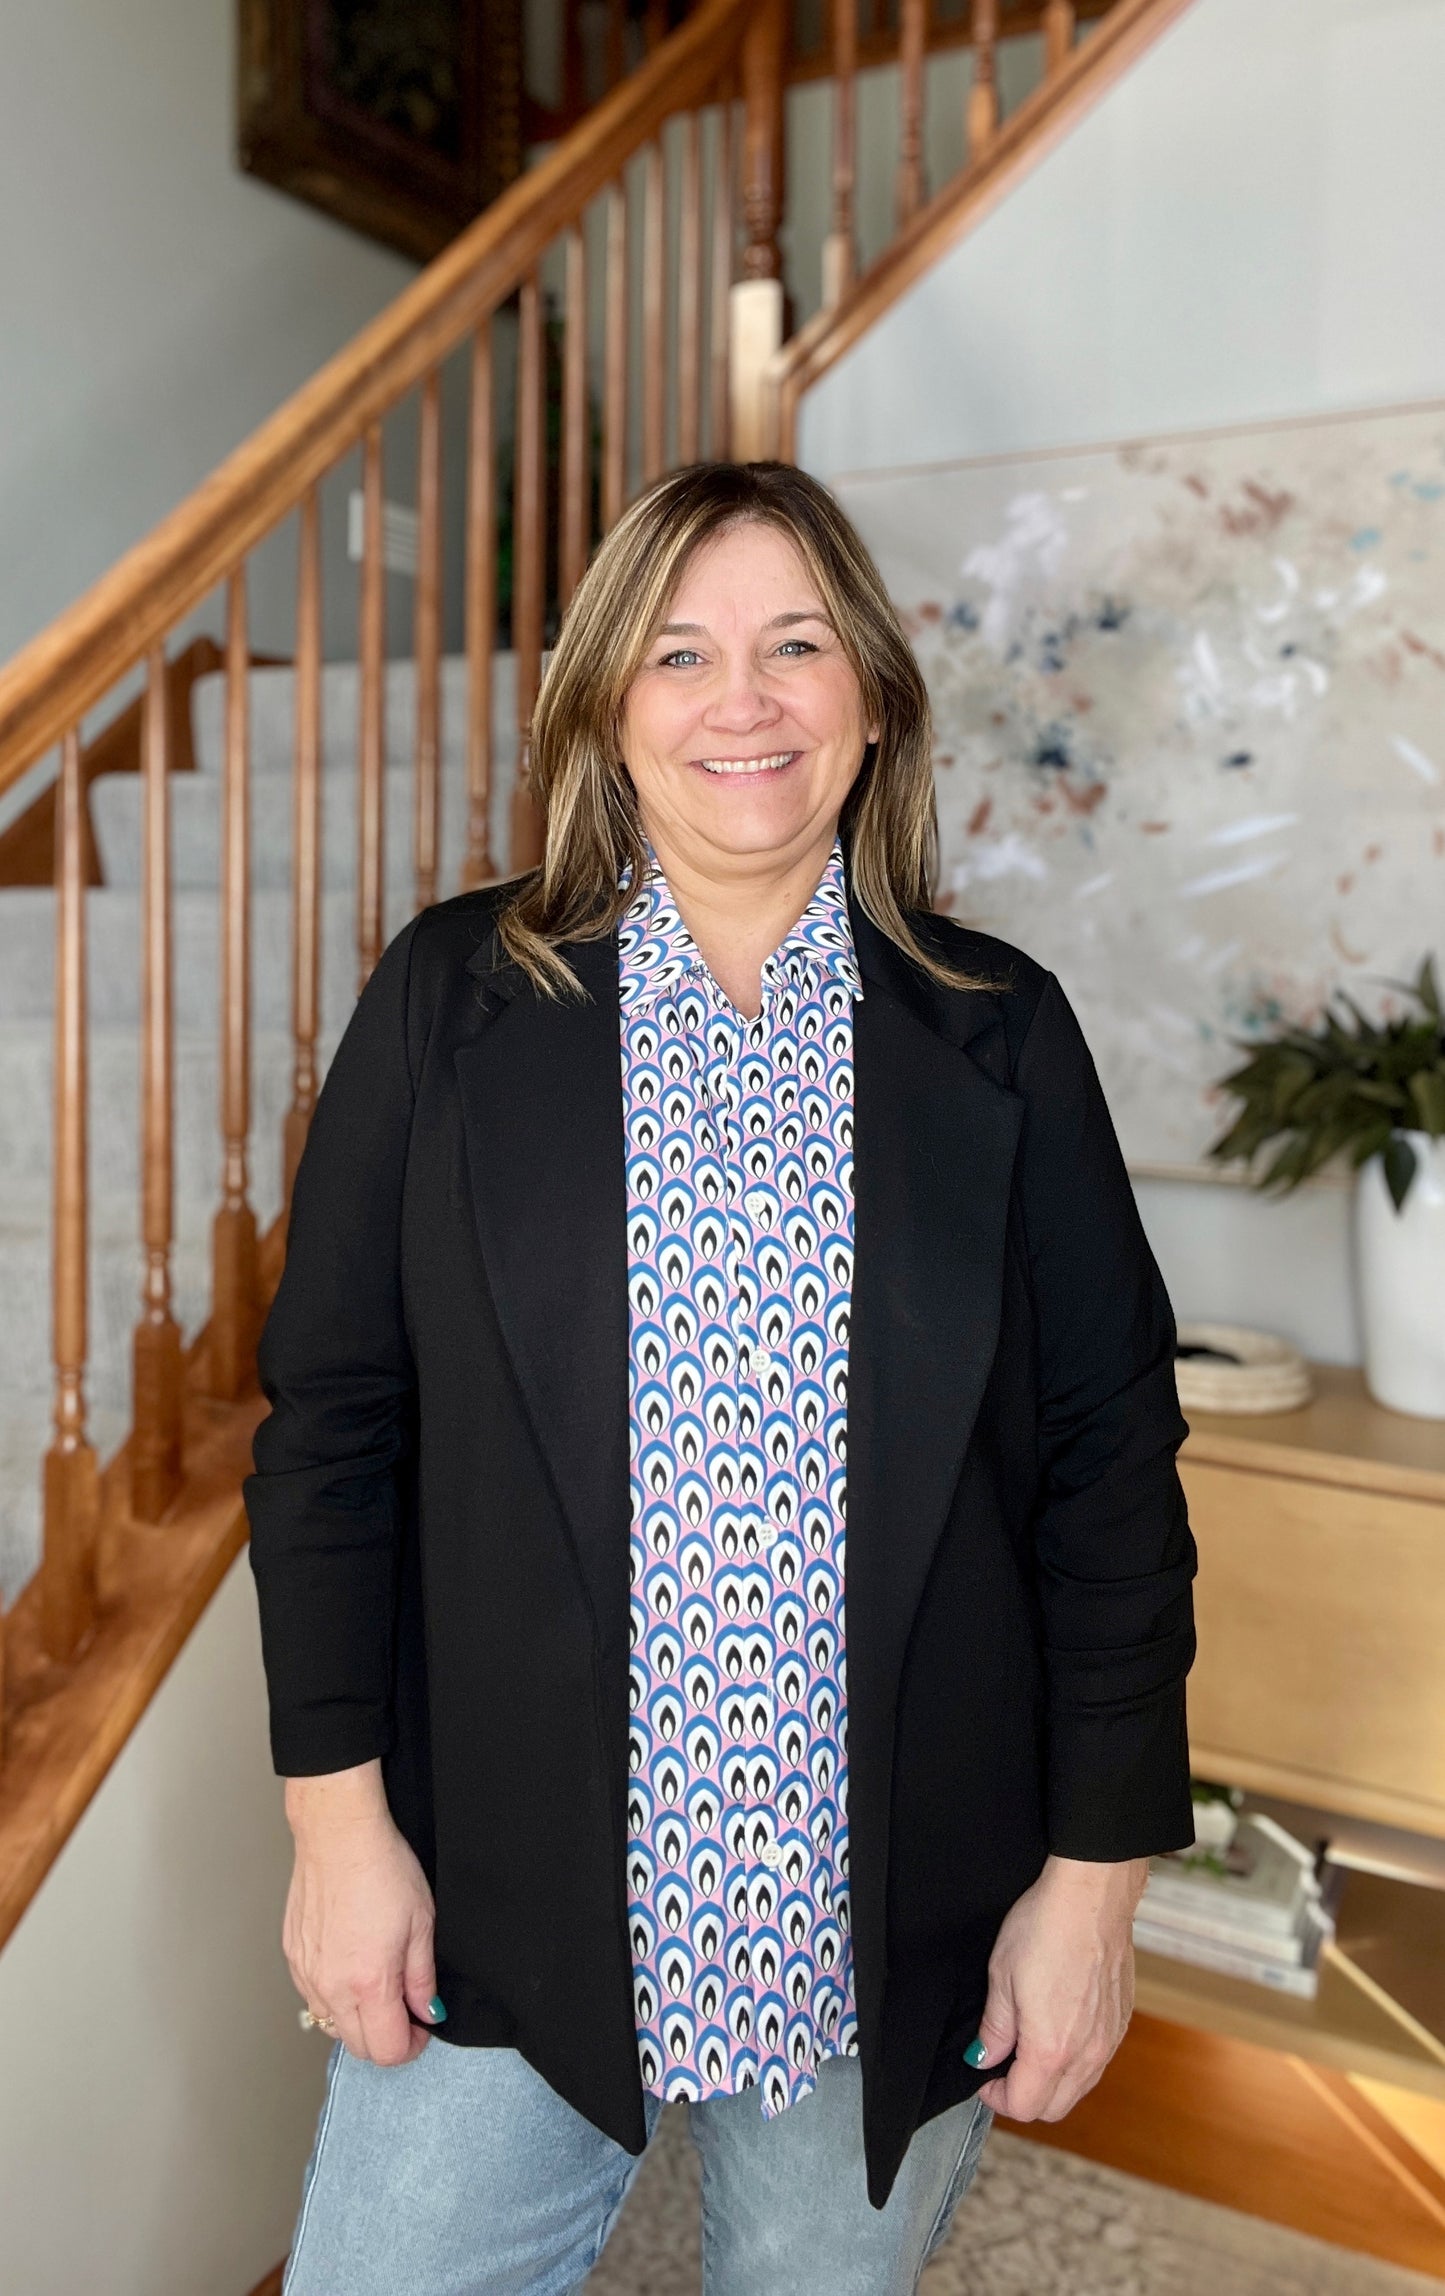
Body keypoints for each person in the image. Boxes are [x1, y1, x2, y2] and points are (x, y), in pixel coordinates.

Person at [246, 460, 1198, 2295]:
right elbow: (331, 1438)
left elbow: (1106, 1472)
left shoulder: (1000, 1037)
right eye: (679, 653)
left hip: (892, 1906)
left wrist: (1094, 1889)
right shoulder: (452, 1002)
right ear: (610, 703)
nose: (740, 700)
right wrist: (334, 1830)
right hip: (501, 1893)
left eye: (794, 646)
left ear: (869, 703)